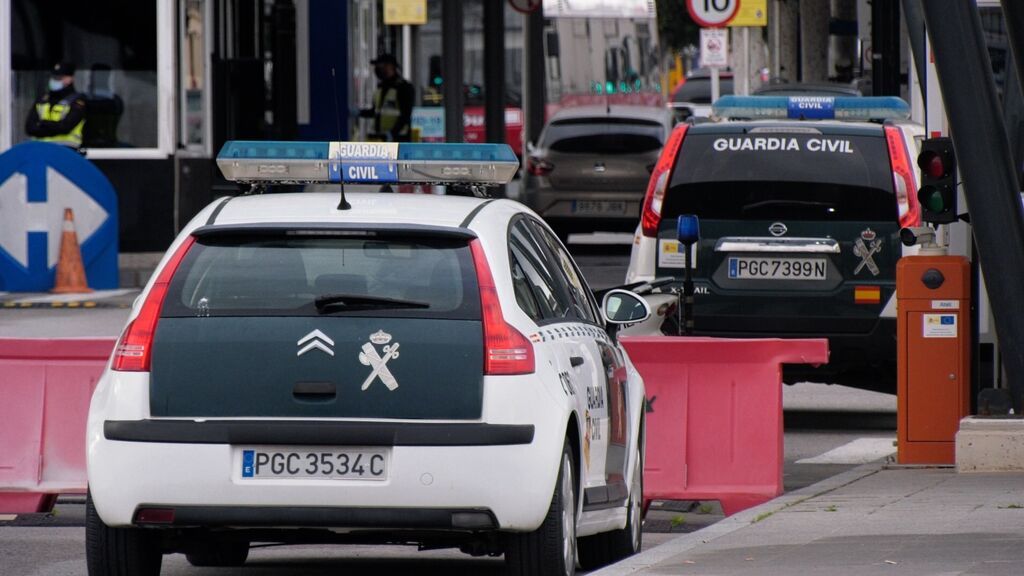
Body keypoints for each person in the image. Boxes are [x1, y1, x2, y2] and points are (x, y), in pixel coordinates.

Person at [25, 62, 87, 149]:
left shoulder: (77, 101)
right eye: (53, 77)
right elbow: (30, 128)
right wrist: (53, 127)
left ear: (70, 79)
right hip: (41, 150)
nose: (54, 80)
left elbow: (65, 127)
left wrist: (43, 123)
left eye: (59, 78)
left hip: (66, 151)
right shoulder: (42, 99)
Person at [360, 54, 414, 142]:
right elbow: (376, 111)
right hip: (380, 139)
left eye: (381, 66)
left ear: (391, 66)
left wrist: (392, 133)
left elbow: (405, 115)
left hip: (398, 140)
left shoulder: (404, 87)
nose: (378, 69)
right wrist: (359, 112)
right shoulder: (380, 88)